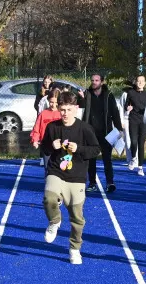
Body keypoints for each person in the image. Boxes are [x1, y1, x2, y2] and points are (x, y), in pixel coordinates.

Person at [41, 90, 101, 265]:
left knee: (77, 217)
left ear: (76, 109)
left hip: (76, 177)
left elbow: (96, 149)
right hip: (56, 171)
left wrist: (80, 149)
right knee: (49, 197)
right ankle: (54, 221)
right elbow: (44, 149)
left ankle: (75, 249)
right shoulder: (53, 127)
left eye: (68, 109)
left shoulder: (85, 128)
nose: (65, 113)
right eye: (62, 109)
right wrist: (51, 146)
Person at [82, 72, 123, 194]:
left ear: (102, 82)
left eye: (96, 80)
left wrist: (119, 128)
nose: (94, 82)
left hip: (106, 133)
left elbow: (115, 113)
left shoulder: (108, 95)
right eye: (92, 80)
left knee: (107, 159)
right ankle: (92, 183)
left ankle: (110, 182)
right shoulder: (87, 94)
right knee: (91, 159)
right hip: (91, 132)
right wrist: (81, 98)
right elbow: (79, 106)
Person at [124, 74, 146, 175]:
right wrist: (128, 108)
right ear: (135, 82)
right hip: (133, 120)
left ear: (145, 83)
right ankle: (133, 158)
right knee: (134, 141)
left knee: (141, 143)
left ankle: (140, 167)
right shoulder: (131, 93)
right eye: (138, 81)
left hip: (144, 121)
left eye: (142, 81)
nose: (140, 83)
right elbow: (126, 105)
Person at [30, 89, 63, 166]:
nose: (54, 105)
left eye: (56, 102)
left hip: (60, 146)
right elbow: (36, 128)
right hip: (46, 145)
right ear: (48, 101)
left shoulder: (61, 113)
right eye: (51, 102)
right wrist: (35, 140)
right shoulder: (43, 114)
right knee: (47, 168)